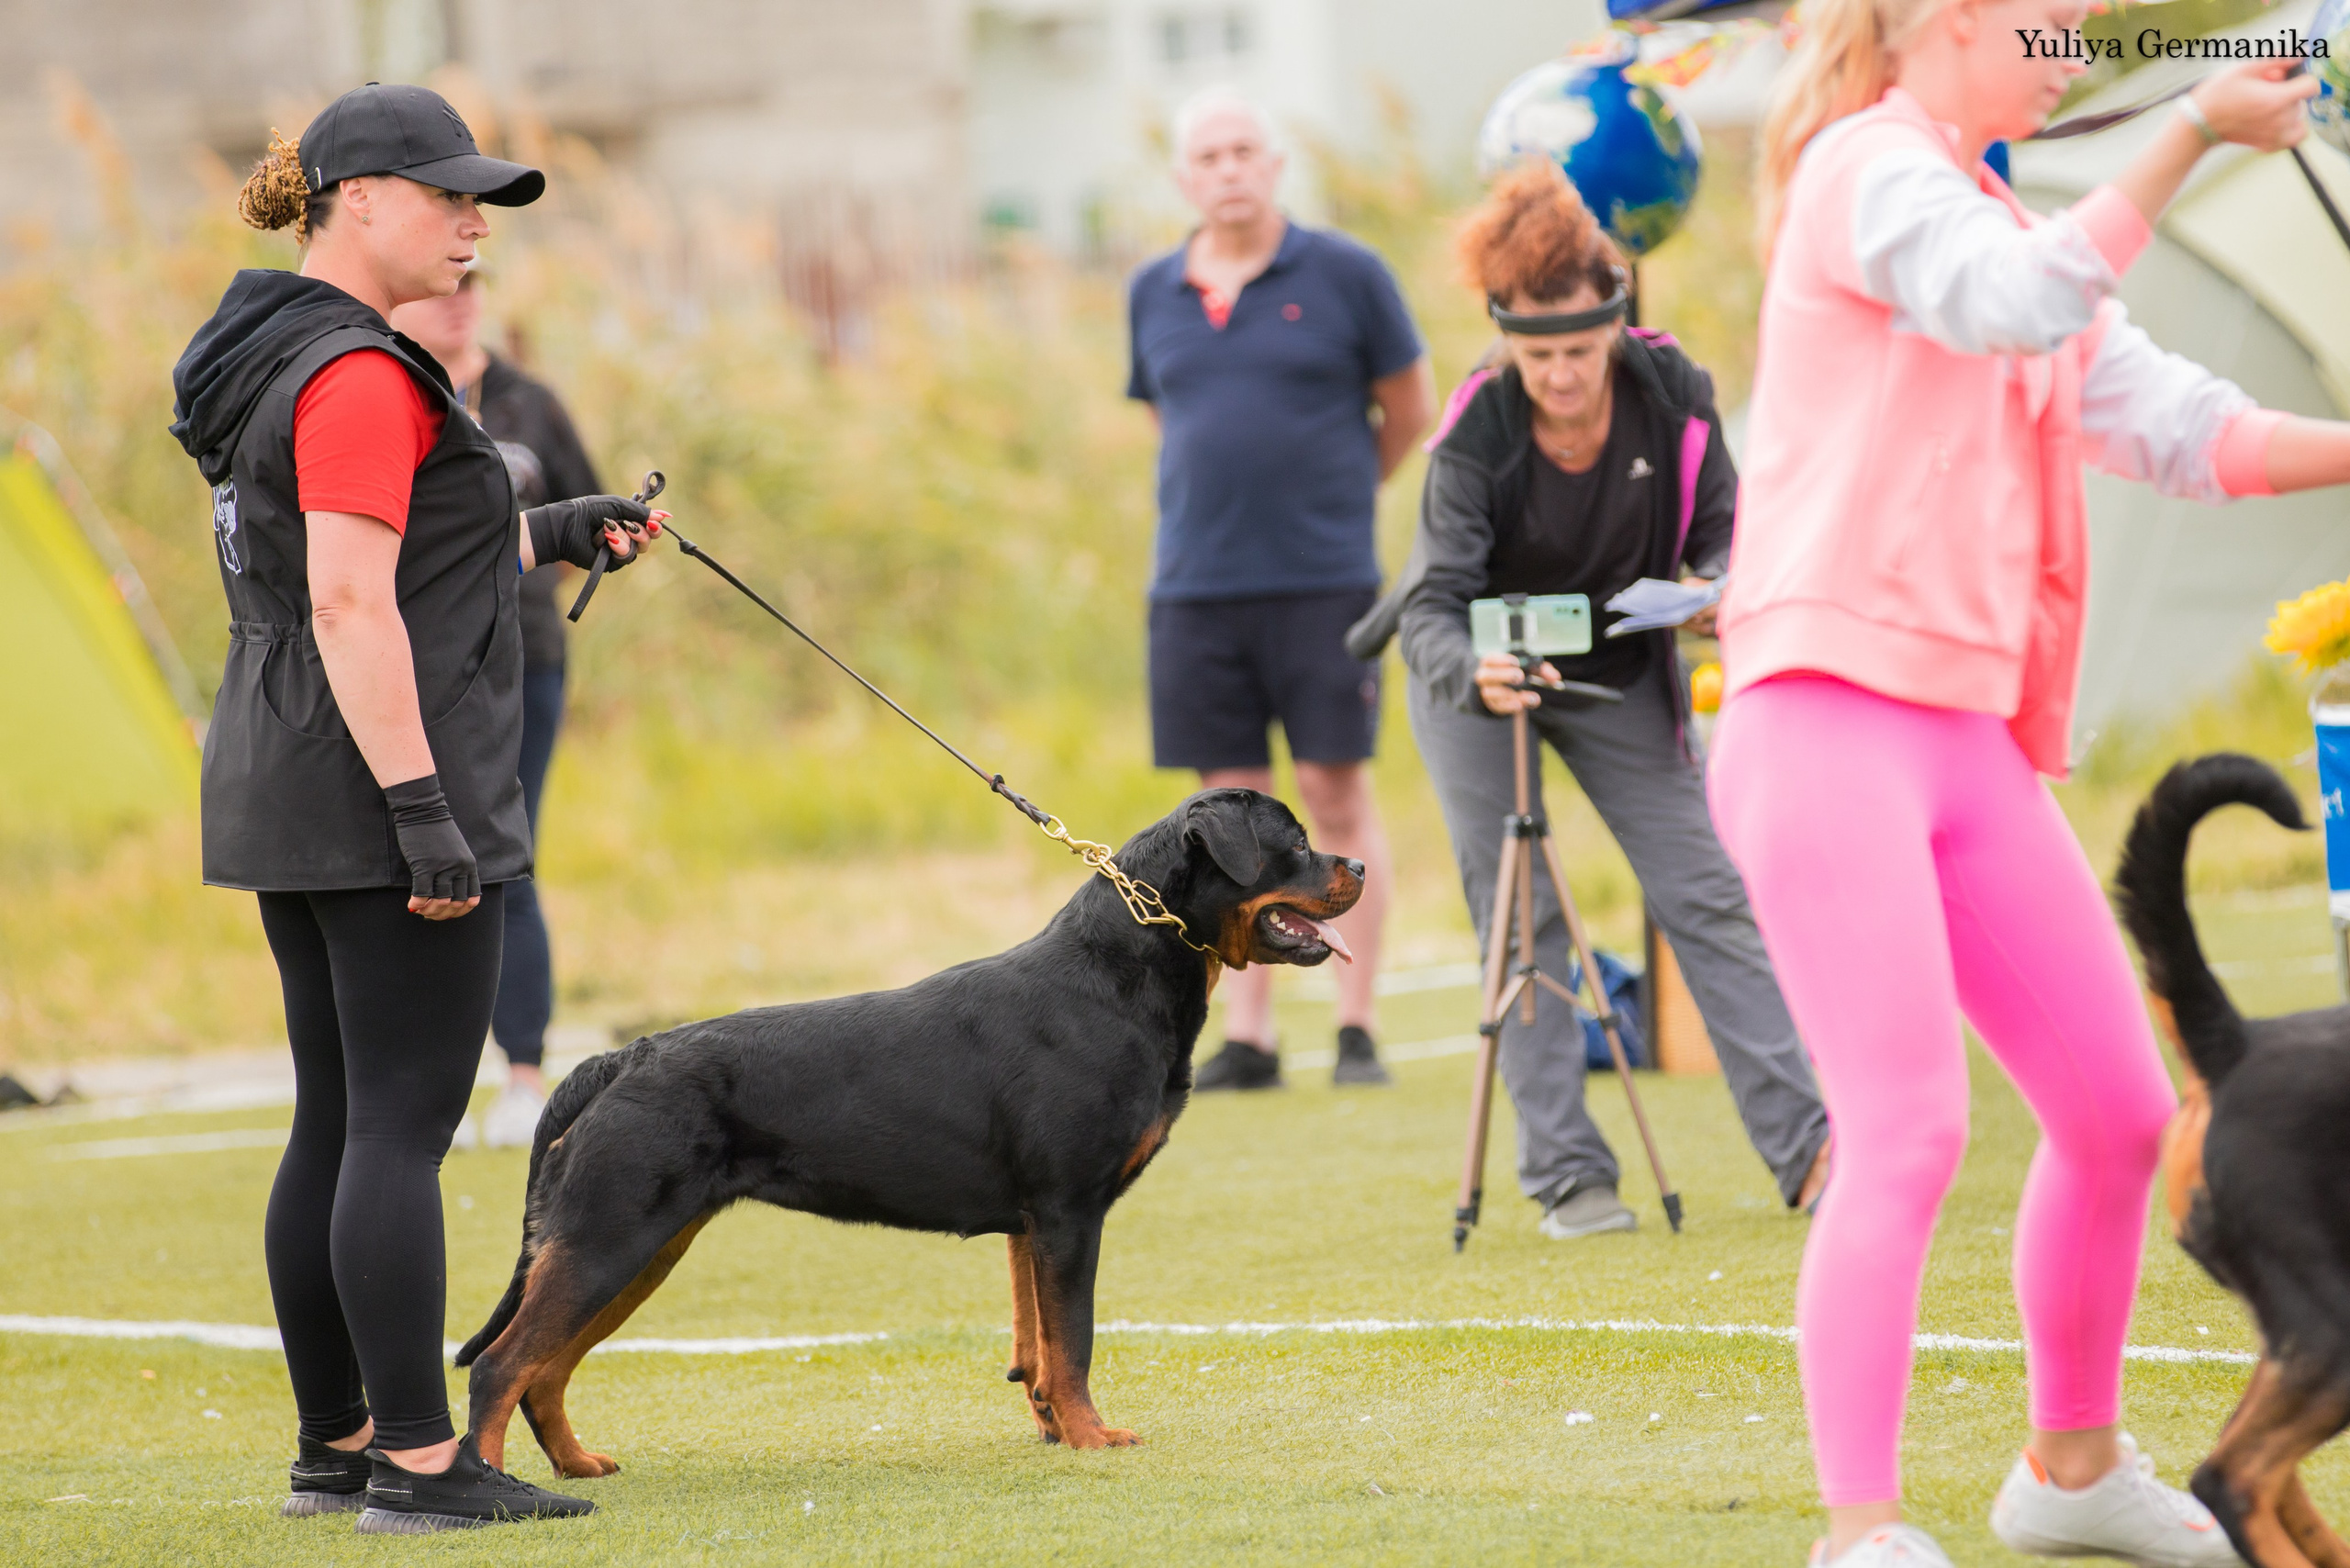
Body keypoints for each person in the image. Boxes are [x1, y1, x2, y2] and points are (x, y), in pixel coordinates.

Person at [1713, 10, 2350, 1562]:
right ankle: (1859, 1527)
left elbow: (2197, 432)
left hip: (1962, 737)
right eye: (2042, 15)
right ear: (1938, 20)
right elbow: (2010, 303)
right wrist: (2192, 127)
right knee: (1910, 1124)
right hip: (1819, 718)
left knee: (2125, 1107)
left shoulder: (1995, 207)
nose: (2072, 38)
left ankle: (2068, 1473)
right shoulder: (1863, 174)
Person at [168, 83, 662, 1532]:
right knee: (395, 1130)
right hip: (379, 780)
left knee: (335, 1121)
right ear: (355, 199)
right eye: (446, 194)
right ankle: (420, 1461)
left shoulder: (271, 353)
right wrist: (426, 809)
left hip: (281, 768)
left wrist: (552, 530)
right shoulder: (364, 371)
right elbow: (347, 595)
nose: (470, 224)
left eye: (482, 201)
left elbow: (394, 541)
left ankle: (338, 1449)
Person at [1348, 163, 1829, 1238]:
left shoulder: (1673, 391)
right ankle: (1570, 1177)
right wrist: (1470, 668)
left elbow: (1722, 526)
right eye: (1537, 355)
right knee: (1523, 913)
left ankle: (1807, 1149)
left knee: (1704, 888)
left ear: (1614, 323)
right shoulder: (1476, 429)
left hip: (1614, 668)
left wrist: (1717, 585)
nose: (1561, 376)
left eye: (1579, 350)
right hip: (1482, 677)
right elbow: (1428, 607)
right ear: (1506, 342)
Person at [1126, 87, 1434, 1089]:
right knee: (1220, 816)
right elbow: (1167, 421)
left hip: (1322, 581)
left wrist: (1335, 501)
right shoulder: (1152, 289)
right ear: (1184, 177)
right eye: (1207, 156)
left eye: (1243, 151)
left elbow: (1408, 409)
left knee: (1332, 792)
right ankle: (1247, 1035)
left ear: (1273, 163)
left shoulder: (1346, 273)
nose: (1227, 169)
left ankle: (1354, 1025)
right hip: (1196, 589)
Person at [392, 269, 604, 1148]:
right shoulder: (390, 384)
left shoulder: (529, 403)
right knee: (416, 862)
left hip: (525, 663)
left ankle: (523, 1074)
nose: (460, 297)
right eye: (446, 285)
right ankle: (415, 1069)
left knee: (509, 860)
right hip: (414, 666)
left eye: (473, 285)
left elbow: (585, 514)